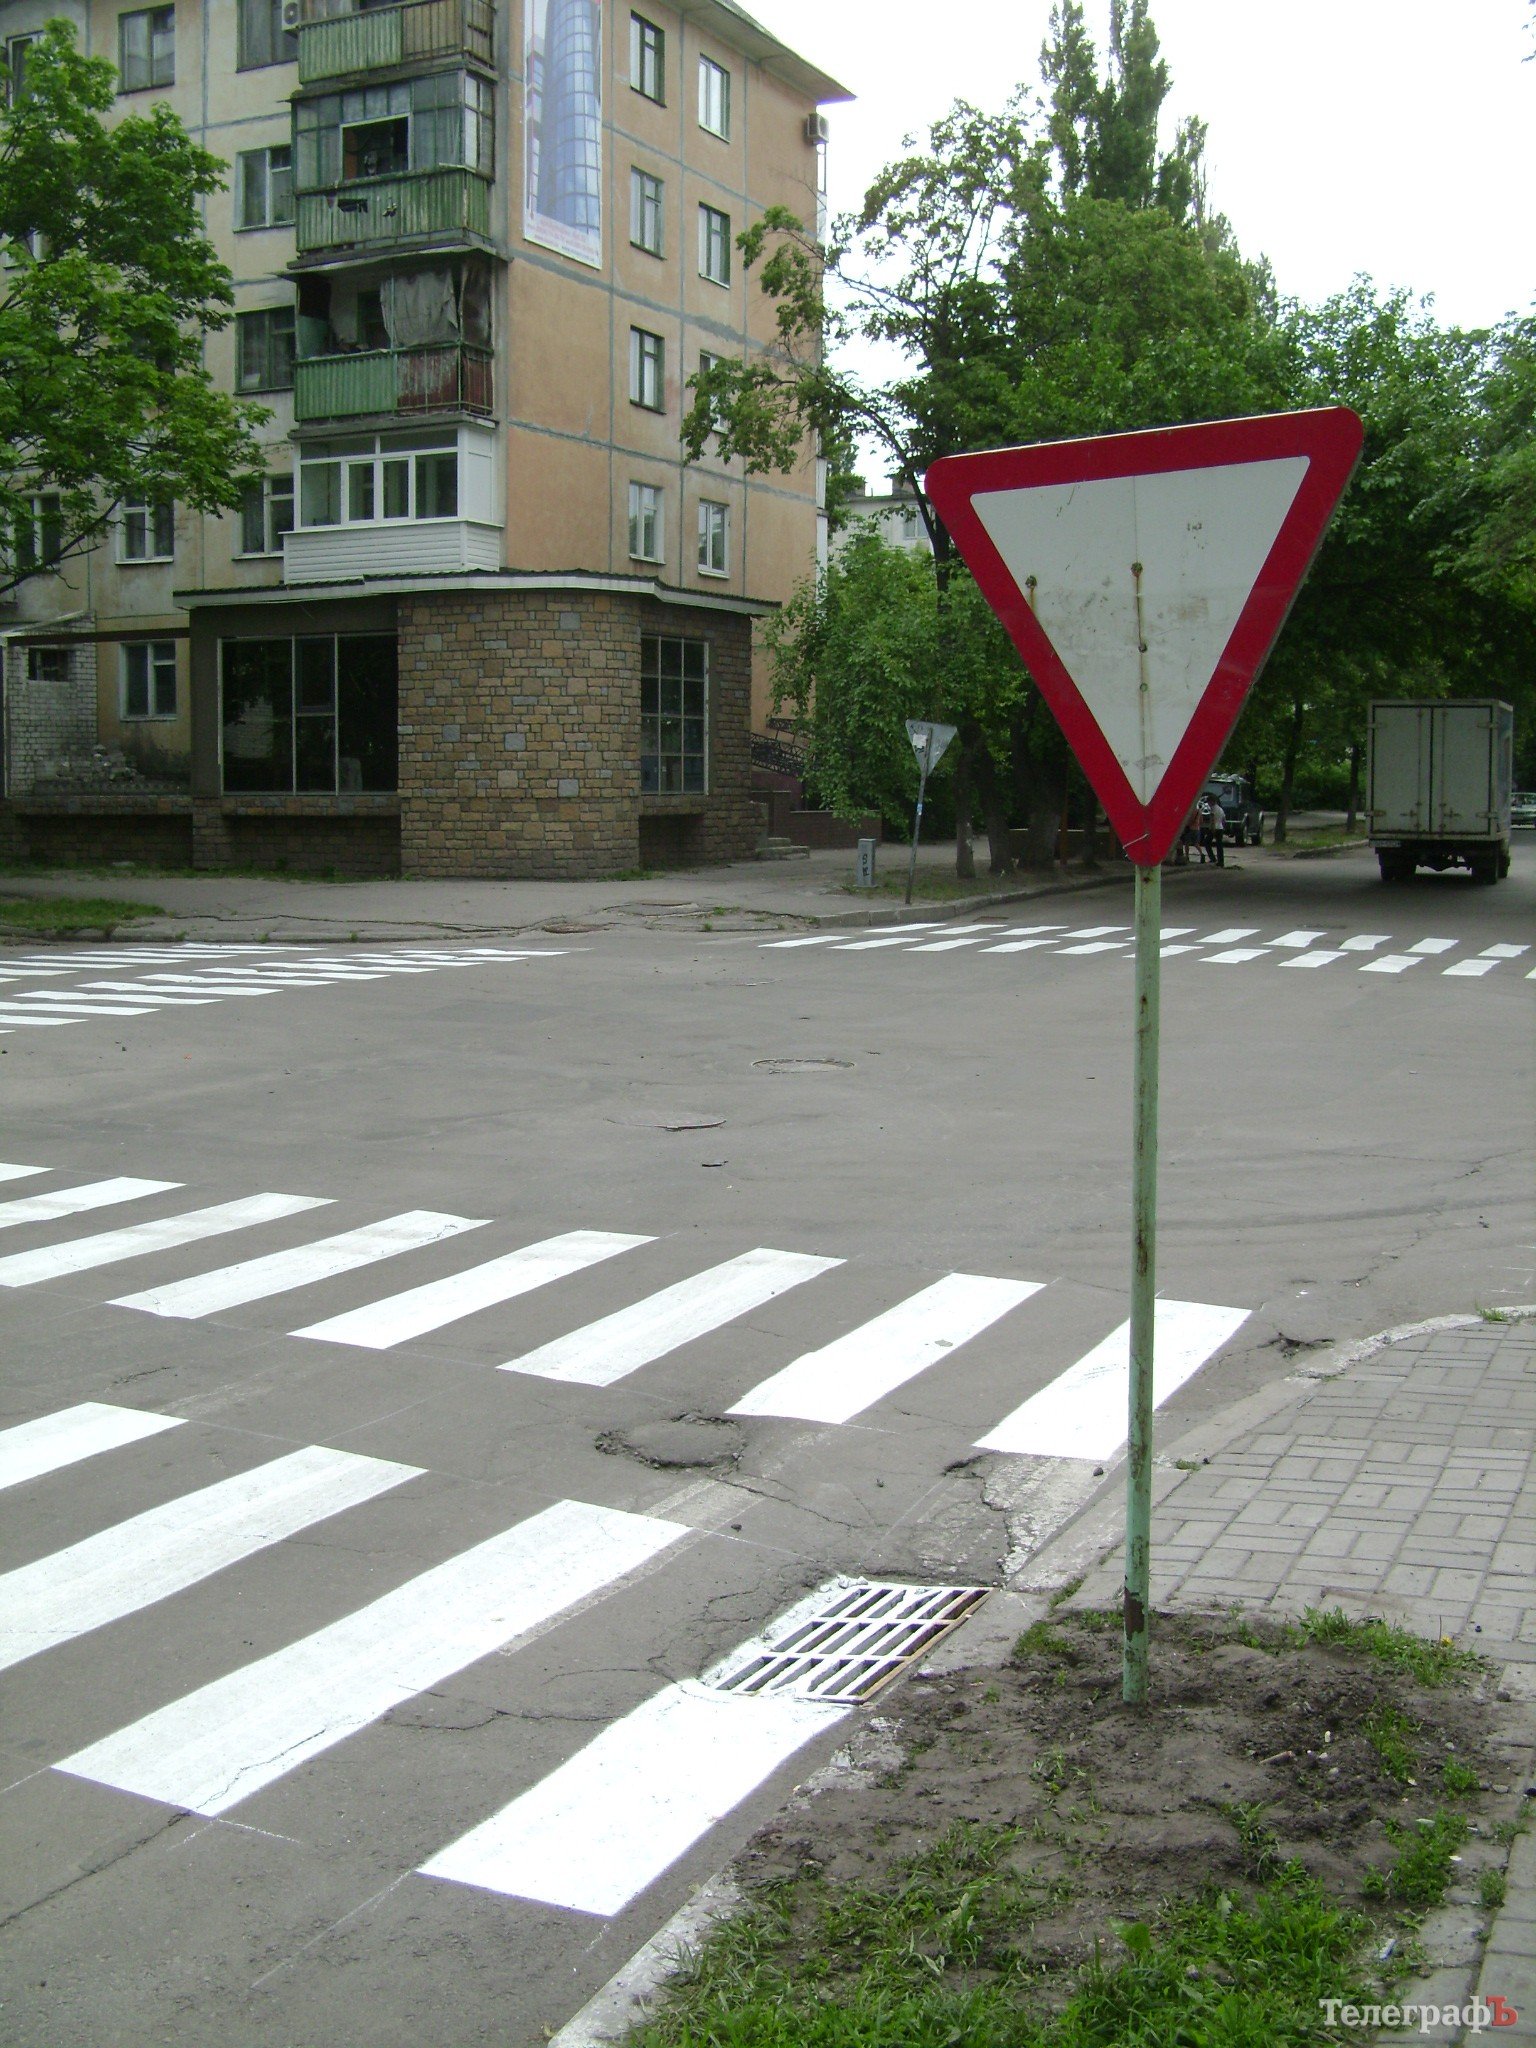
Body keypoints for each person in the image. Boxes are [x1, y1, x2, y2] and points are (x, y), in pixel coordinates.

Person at [1208, 794, 1226, 867]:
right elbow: (1224, 819)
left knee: (1207, 842)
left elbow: (1212, 820)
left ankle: (1213, 858)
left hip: (1215, 828)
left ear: (1212, 801)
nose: (1208, 804)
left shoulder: (1213, 809)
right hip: (1220, 827)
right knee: (1219, 845)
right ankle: (1221, 861)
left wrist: (1212, 829)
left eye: (1209, 802)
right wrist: (1223, 827)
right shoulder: (1220, 809)